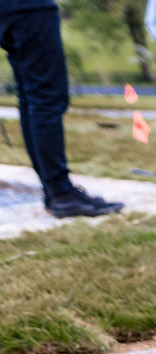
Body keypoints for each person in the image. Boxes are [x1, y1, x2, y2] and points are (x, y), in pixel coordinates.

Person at [0, 0, 123, 217]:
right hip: (28, 7)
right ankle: (61, 193)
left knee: (31, 97)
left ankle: (55, 191)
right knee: (45, 96)